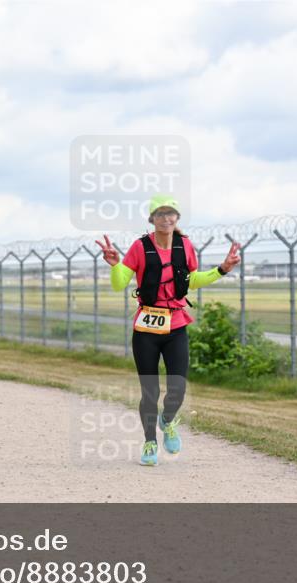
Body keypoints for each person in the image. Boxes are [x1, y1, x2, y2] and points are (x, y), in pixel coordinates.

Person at [95, 194, 240, 467]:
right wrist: (116, 265)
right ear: (152, 219)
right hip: (147, 328)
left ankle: (167, 420)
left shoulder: (185, 246)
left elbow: (191, 280)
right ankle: (150, 441)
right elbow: (119, 283)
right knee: (149, 391)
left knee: (177, 388)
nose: (166, 218)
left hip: (176, 325)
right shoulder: (140, 247)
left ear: (177, 218)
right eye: (160, 214)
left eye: (170, 213)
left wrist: (222, 269)